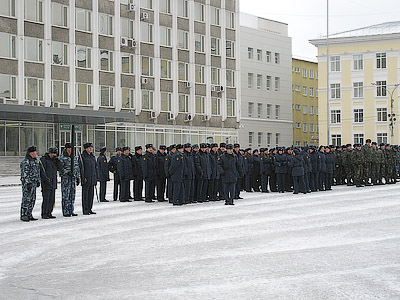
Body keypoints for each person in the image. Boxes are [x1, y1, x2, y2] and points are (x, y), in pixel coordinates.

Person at [59, 143, 81, 217]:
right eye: (68, 148)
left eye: (71, 148)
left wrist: (78, 177)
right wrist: (67, 172)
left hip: (73, 179)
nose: (70, 150)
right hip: (66, 179)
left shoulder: (73, 157)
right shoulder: (62, 157)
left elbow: (77, 167)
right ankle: (65, 211)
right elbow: (60, 168)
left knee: (72, 195)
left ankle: (71, 210)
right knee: (66, 195)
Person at [20, 146, 41, 222]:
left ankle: (29, 213)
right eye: (34, 152)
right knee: (26, 199)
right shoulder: (26, 162)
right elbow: (25, 173)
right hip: (28, 184)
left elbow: (37, 172)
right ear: (30, 153)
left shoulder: (35, 161)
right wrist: (28, 182)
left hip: (34, 183)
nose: (36, 153)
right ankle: (24, 214)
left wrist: (38, 180)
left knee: (32, 199)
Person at [40, 147, 59, 219]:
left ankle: (49, 212)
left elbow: (60, 168)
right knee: (46, 199)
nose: (54, 155)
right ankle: (44, 213)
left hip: (53, 182)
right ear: (49, 153)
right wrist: (45, 179)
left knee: (52, 199)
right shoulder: (44, 160)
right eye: (53, 153)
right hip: (46, 183)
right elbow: (42, 171)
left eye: (55, 153)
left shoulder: (54, 161)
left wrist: (57, 160)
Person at [80, 142, 98, 215]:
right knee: (85, 195)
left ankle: (90, 208)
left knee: (91, 195)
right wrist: (83, 177)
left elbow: (95, 167)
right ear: (86, 148)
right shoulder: (83, 157)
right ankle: (85, 209)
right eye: (89, 148)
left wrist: (96, 177)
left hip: (92, 178)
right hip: (86, 178)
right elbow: (81, 168)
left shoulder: (92, 157)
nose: (91, 149)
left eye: (91, 147)